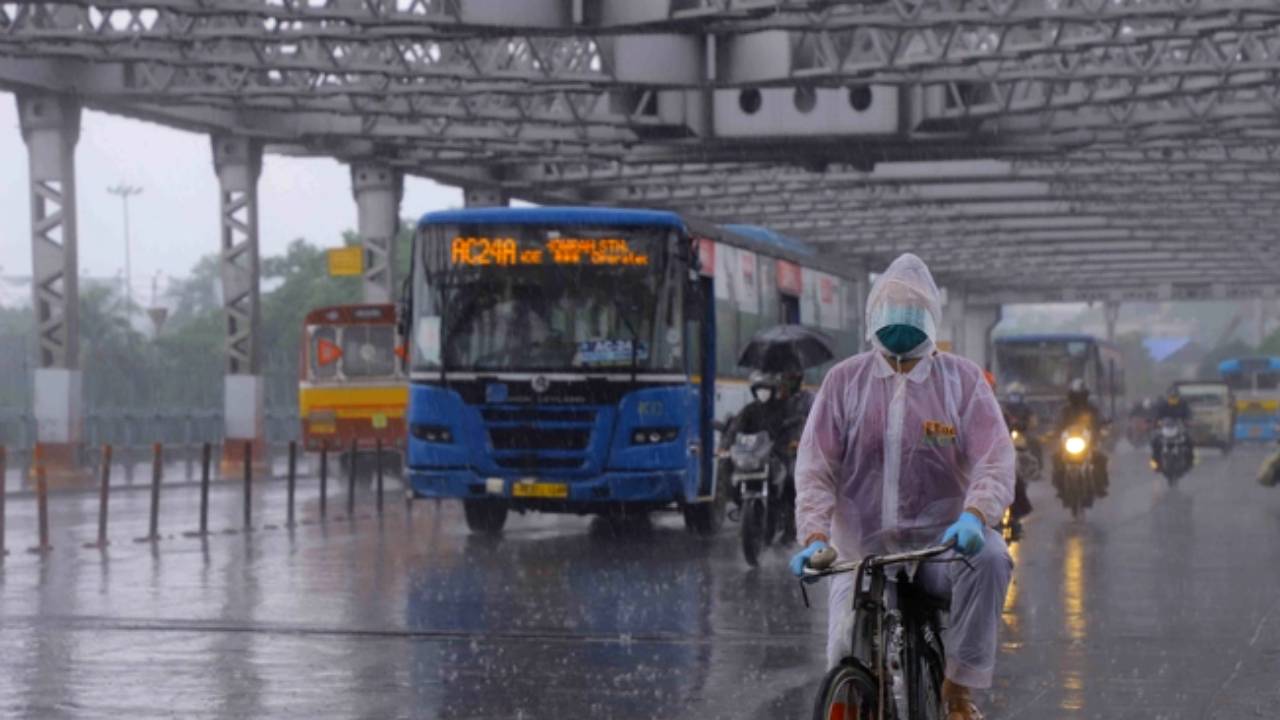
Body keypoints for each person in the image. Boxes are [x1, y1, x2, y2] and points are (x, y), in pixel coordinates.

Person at [788, 253, 1014, 720]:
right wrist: (814, 539)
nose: (902, 317)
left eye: (912, 307)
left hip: (941, 548)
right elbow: (815, 468)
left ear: (931, 314)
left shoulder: (961, 382)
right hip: (859, 553)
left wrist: (976, 517)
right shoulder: (844, 383)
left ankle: (958, 689)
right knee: (844, 661)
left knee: (991, 558)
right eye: (893, 306)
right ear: (874, 313)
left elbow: (994, 458)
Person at [1053, 378, 1109, 498]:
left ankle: (1100, 486)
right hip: (1069, 442)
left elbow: (1100, 421)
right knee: (1056, 457)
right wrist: (1055, 432)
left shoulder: (1092, 409)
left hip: (1088, 442)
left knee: (1101, 458)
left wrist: (1101, 429)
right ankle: (1060, 486)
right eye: (1076, 395)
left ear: (1085, 395)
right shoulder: (1065, 410)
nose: (1078, 399)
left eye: (1081, 395)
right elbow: (1058, 424)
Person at [1150, 387, 1192, 471]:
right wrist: (1155, 422)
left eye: (1175, 396)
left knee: (1189, 440)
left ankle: (1189, 462)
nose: (1173, 399)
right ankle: (1155, 463)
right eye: (1171, 397)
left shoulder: (1183, 404)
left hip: (1179, 428)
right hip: (1166, 428)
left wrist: (1188, 421)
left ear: (1178, 396)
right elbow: (1157, 415)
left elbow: (1188, 414)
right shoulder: (1163, 405)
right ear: (1168, 397)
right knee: (1155, 441)